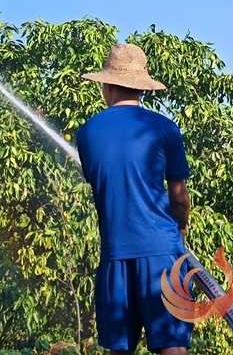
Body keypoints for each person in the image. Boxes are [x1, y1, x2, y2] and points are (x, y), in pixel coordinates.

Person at [76, 43, 193, 355]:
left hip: (115, 255)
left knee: (119, 348)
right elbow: (179, 197)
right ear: (140, 88)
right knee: (173, 347)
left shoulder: (86, 133)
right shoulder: (165, 128)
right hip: (162, 255)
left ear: (107, 84)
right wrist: (181, 226)